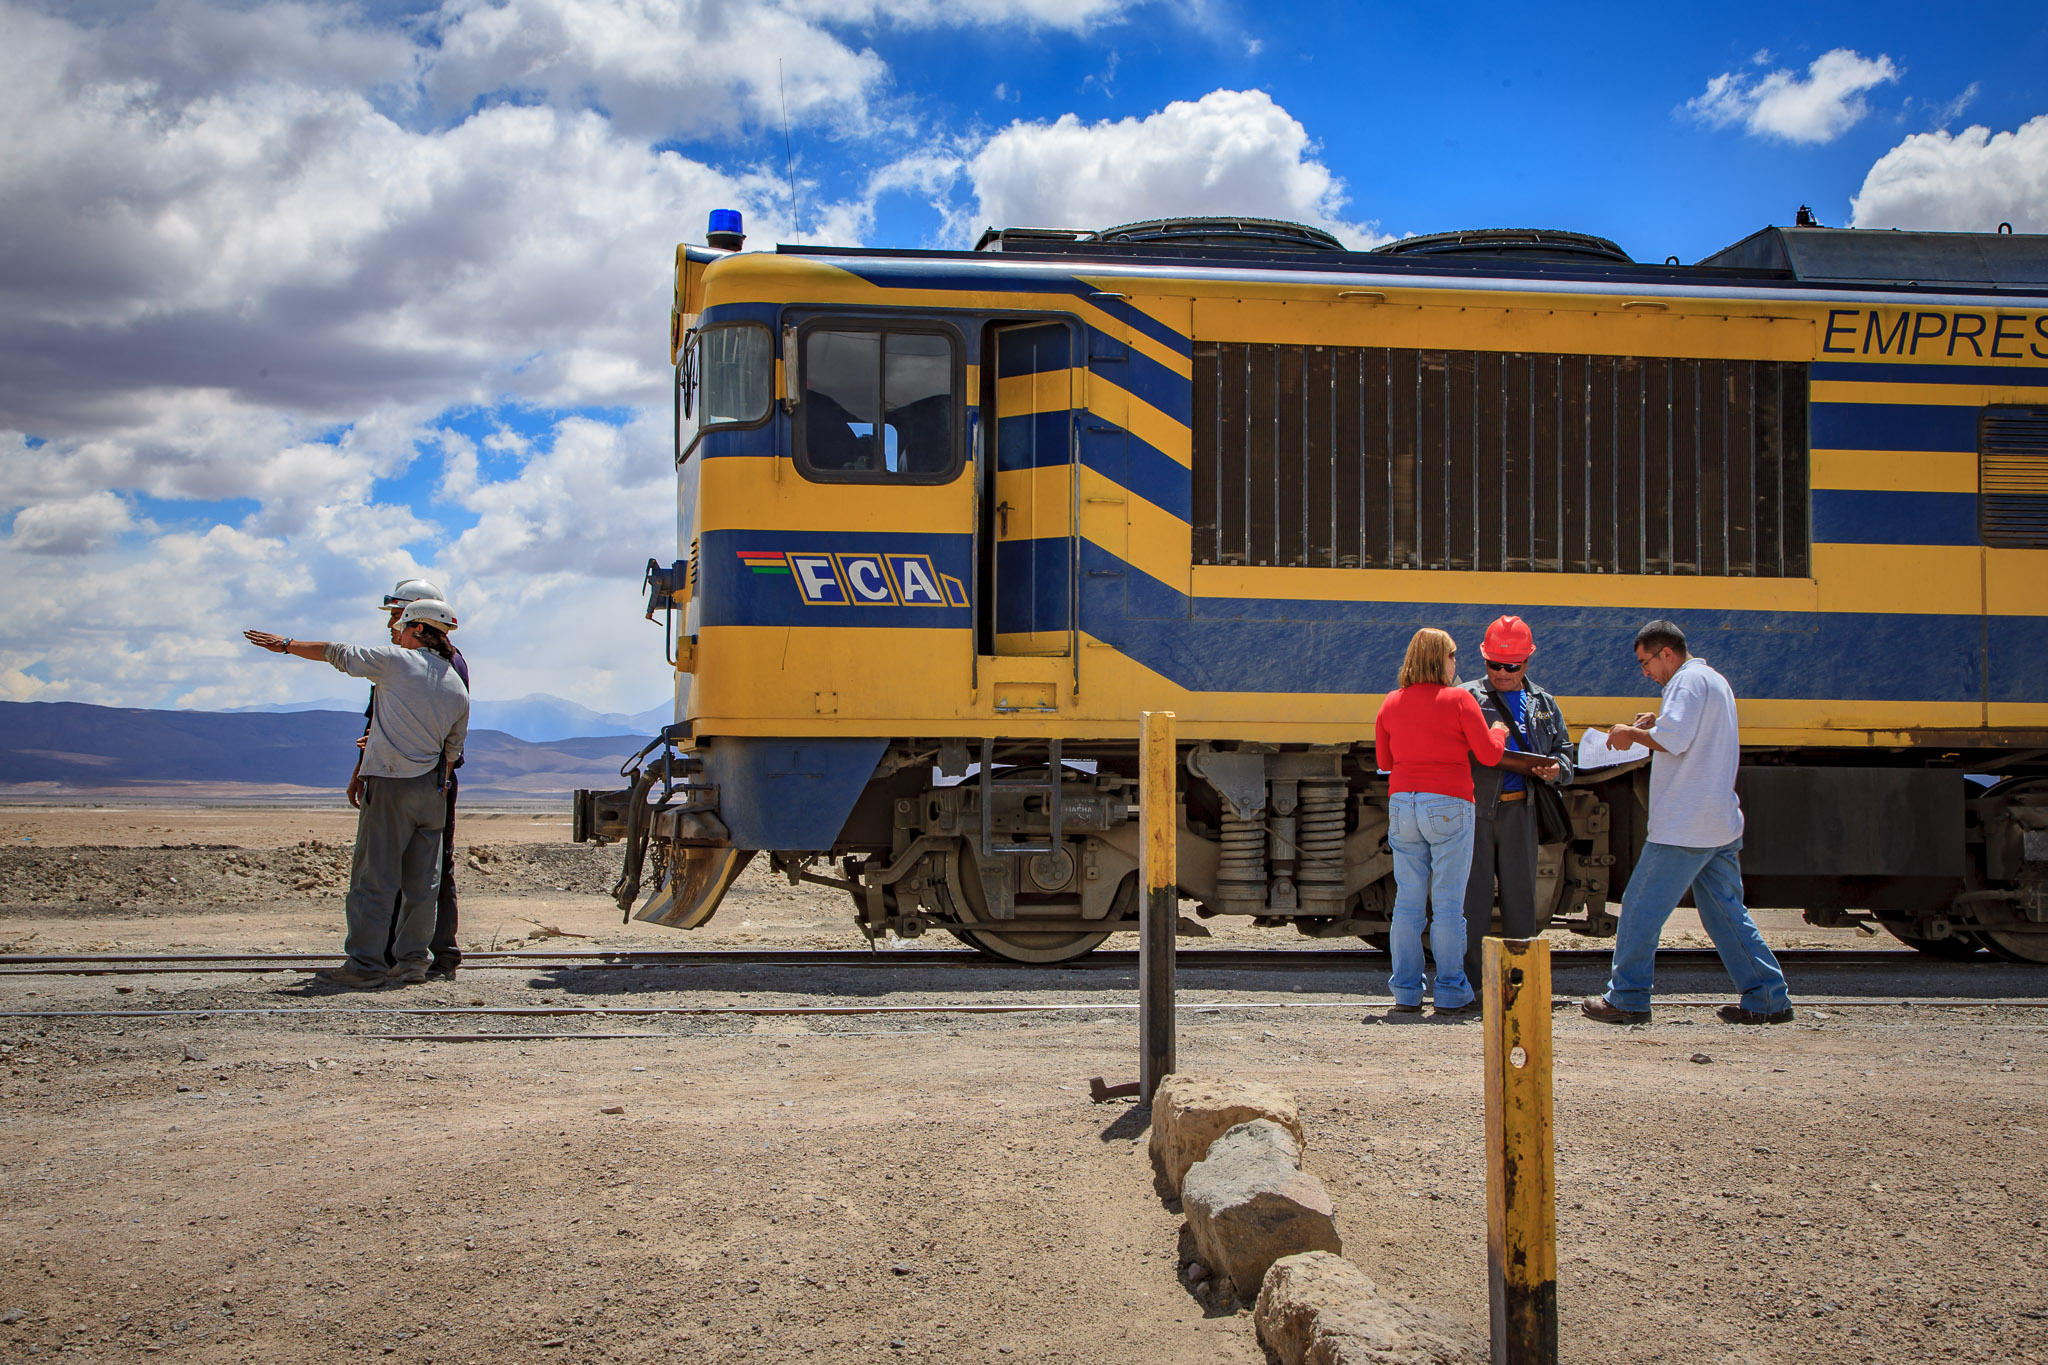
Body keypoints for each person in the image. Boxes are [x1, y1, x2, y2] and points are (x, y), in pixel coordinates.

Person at [244, 600, 469, 989]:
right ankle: (413, 962)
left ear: (417, 629)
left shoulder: (396, 661)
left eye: (400, 625)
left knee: (375, 877)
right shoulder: (455, 683)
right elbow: (452, 751)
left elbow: (335, 652)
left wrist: (285, 644)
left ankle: (365, 964)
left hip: (392, 784)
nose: (395, 631)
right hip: (432, 791)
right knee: (422, 883)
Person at [1581, 619, 1794, 1026]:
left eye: (1646, 663)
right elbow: (1686, 733)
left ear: (1667, 653)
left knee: (1641, 908)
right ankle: (1768, 997)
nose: (1645, 672)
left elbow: (1676, 739)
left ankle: (1627, 997)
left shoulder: (1686, 682)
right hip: (1718, 822)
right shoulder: (1713, 681)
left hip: (1685, 825)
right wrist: (1654, 725)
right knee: (1726, 913)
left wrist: (1630, 733)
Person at [1373, 627, 1509, 1017]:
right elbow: (1487, 755)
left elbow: (1384, 762)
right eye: (1452, 656)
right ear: (1439, 660)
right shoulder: (1459, 700)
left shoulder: (1391, 702)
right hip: (1448, 804)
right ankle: (1450, 991)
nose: (1456, 664)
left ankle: (1405, 992)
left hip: (1403, 806)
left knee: (1408, 904)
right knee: (1448, 905)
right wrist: (1498, 732)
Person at [358, 578, 470, 980]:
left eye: (398, 615)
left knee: (409, 871)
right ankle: (408, 957)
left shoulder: (425, 663)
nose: (393, 624)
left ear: (420, 621)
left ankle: (416, 956)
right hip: (430, 778)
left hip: (416, 777)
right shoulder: (430, 663)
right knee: (422, 872)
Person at [1459, 615, 1573, 990]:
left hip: (1521, 809)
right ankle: (1474, 985)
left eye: (1512, 666)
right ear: (1483, 657)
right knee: (1471, 902)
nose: (1503, 673)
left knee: (1521, 901)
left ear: (1528, 661)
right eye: (1494, 664)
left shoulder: (1543, 703)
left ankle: (1519, 986)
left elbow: (1565, 753)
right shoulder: (1468, 699)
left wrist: (1559, 770)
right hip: (1476, 811)